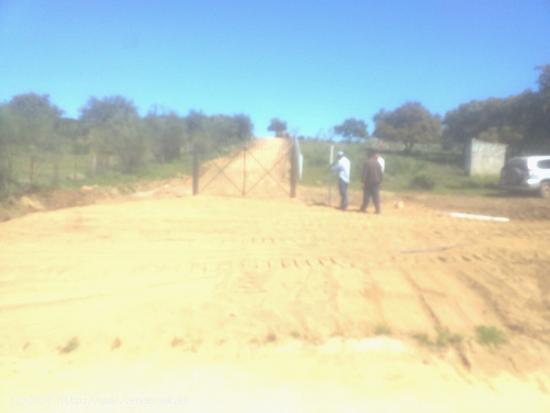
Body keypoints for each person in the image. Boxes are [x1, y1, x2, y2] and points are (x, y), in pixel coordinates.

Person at [361, 150, 383, 214]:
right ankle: (378, 210)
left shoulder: (367, 162)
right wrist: (380, 182)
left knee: (366, 197)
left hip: (368, 182)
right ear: (373, 156)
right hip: (376, 182)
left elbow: (364, 173)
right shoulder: (378, 163)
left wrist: (363, 182)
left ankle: (363, 208)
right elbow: (380, 174)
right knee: (376, 197)